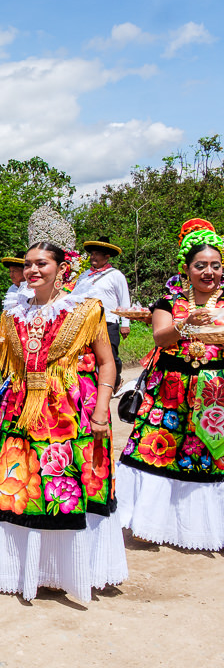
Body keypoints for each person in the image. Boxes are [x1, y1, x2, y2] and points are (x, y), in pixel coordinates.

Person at [0, 207, 127, 603]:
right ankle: (23, 569)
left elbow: (106, 362)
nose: (32, 270)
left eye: (42, 264)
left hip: (70, 411)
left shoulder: (86, 310)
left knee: (64, 485)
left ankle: (66, 570)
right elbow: (11, 365)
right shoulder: (13, 314)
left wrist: (102, 408)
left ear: (61, 268)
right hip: (21, 408)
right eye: (28, 264)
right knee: (22, 484)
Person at [117, 218, 224, 550]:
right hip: (169, 393)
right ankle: (150, 523)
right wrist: (186, 323)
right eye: (200, 265)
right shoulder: (169, 303)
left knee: (214, 455)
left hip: (216, 394)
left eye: (216, 265)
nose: (209, 272)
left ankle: (214, 529)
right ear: (186, 269)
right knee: (158, 452)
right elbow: (161, 338)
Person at [72, 236, 131, 389]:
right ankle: (92, 385)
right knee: (88, 355)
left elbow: (124, 299)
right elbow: (74, 297)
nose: (93, 257)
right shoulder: (84, 276)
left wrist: (125, 323)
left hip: (108, 321)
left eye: (97, 254)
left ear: (106, 257)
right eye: (92, 254)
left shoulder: (115, 275)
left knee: (111, 354)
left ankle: (115, 380)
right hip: (85, 322)